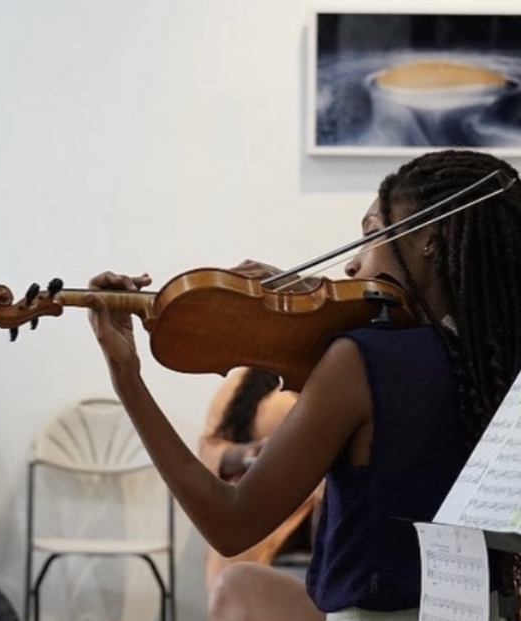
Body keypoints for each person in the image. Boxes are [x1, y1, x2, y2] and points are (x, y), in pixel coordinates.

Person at [84, 149, 521, 620]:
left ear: (431, 241)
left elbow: (231, 524)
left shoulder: (364, 359)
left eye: (373, 235)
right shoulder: (500, 368)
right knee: (242, 586)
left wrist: (127, 380)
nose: (354, 265)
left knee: (236, 579)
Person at [199, 368, 325, 621]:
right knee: (232, 581)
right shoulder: (243, 379)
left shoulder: (332, 368)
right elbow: (209, 448)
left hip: (312, 509)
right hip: (255, 502)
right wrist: (249, 454)